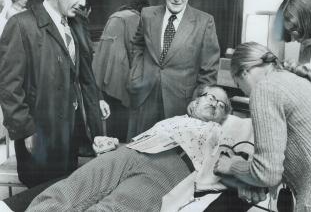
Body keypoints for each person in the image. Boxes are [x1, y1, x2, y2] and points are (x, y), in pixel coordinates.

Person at [3, 85, 255, 212]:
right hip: (137, 148)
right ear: (195, 101)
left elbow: (242, 159)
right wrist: (116, 144)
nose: (214, 103)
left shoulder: (224, 133)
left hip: (173, 167)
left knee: (115, 208)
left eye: (221, 104)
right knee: (73, 188)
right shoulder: (174, 119)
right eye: (210, 96)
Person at [0, 0, 110, 188]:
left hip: (68, 133)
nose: (83, 2)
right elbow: (10, 87)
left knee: (64, 190)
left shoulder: (77, 23)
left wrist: (96, 110)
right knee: (41, 193)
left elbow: (86, 76)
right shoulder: (21, 25)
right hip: (38, 134)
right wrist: (25, 131)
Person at [214, 42, 311, 211]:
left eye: (239, 86)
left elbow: (267, 173)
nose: (245, 92)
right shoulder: (295, 80)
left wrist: (232, 165)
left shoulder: (264, 88)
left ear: (244, 72)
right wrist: (253, 181)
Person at [127, 0, 220, 140]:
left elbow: (209, 71)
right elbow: (138, 45)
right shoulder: (148, 14)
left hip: (180, 102)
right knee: (139, 149)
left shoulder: (204, 22)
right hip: (145, 95)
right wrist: (136, 75)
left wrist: (197, 103)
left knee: (172, 158)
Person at [92, 0, 150, 142]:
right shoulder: (133, 17)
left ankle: (111, 140)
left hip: (102, 67)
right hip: (118, 69)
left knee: (110, 108)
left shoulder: (116, 15)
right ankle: (120, 142)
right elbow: (134, 47)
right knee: (122, 108)